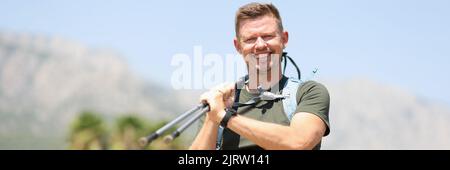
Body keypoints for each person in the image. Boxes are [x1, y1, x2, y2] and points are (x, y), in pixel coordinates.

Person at [189, 2, 330, 150]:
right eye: (250, 39)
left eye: (268, 36)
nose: (261, 45)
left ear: (284, 39)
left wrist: (225, 117)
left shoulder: (308, 92)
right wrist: (213, 117)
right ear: (238, 46)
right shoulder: (218, 102)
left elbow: (299, 143)